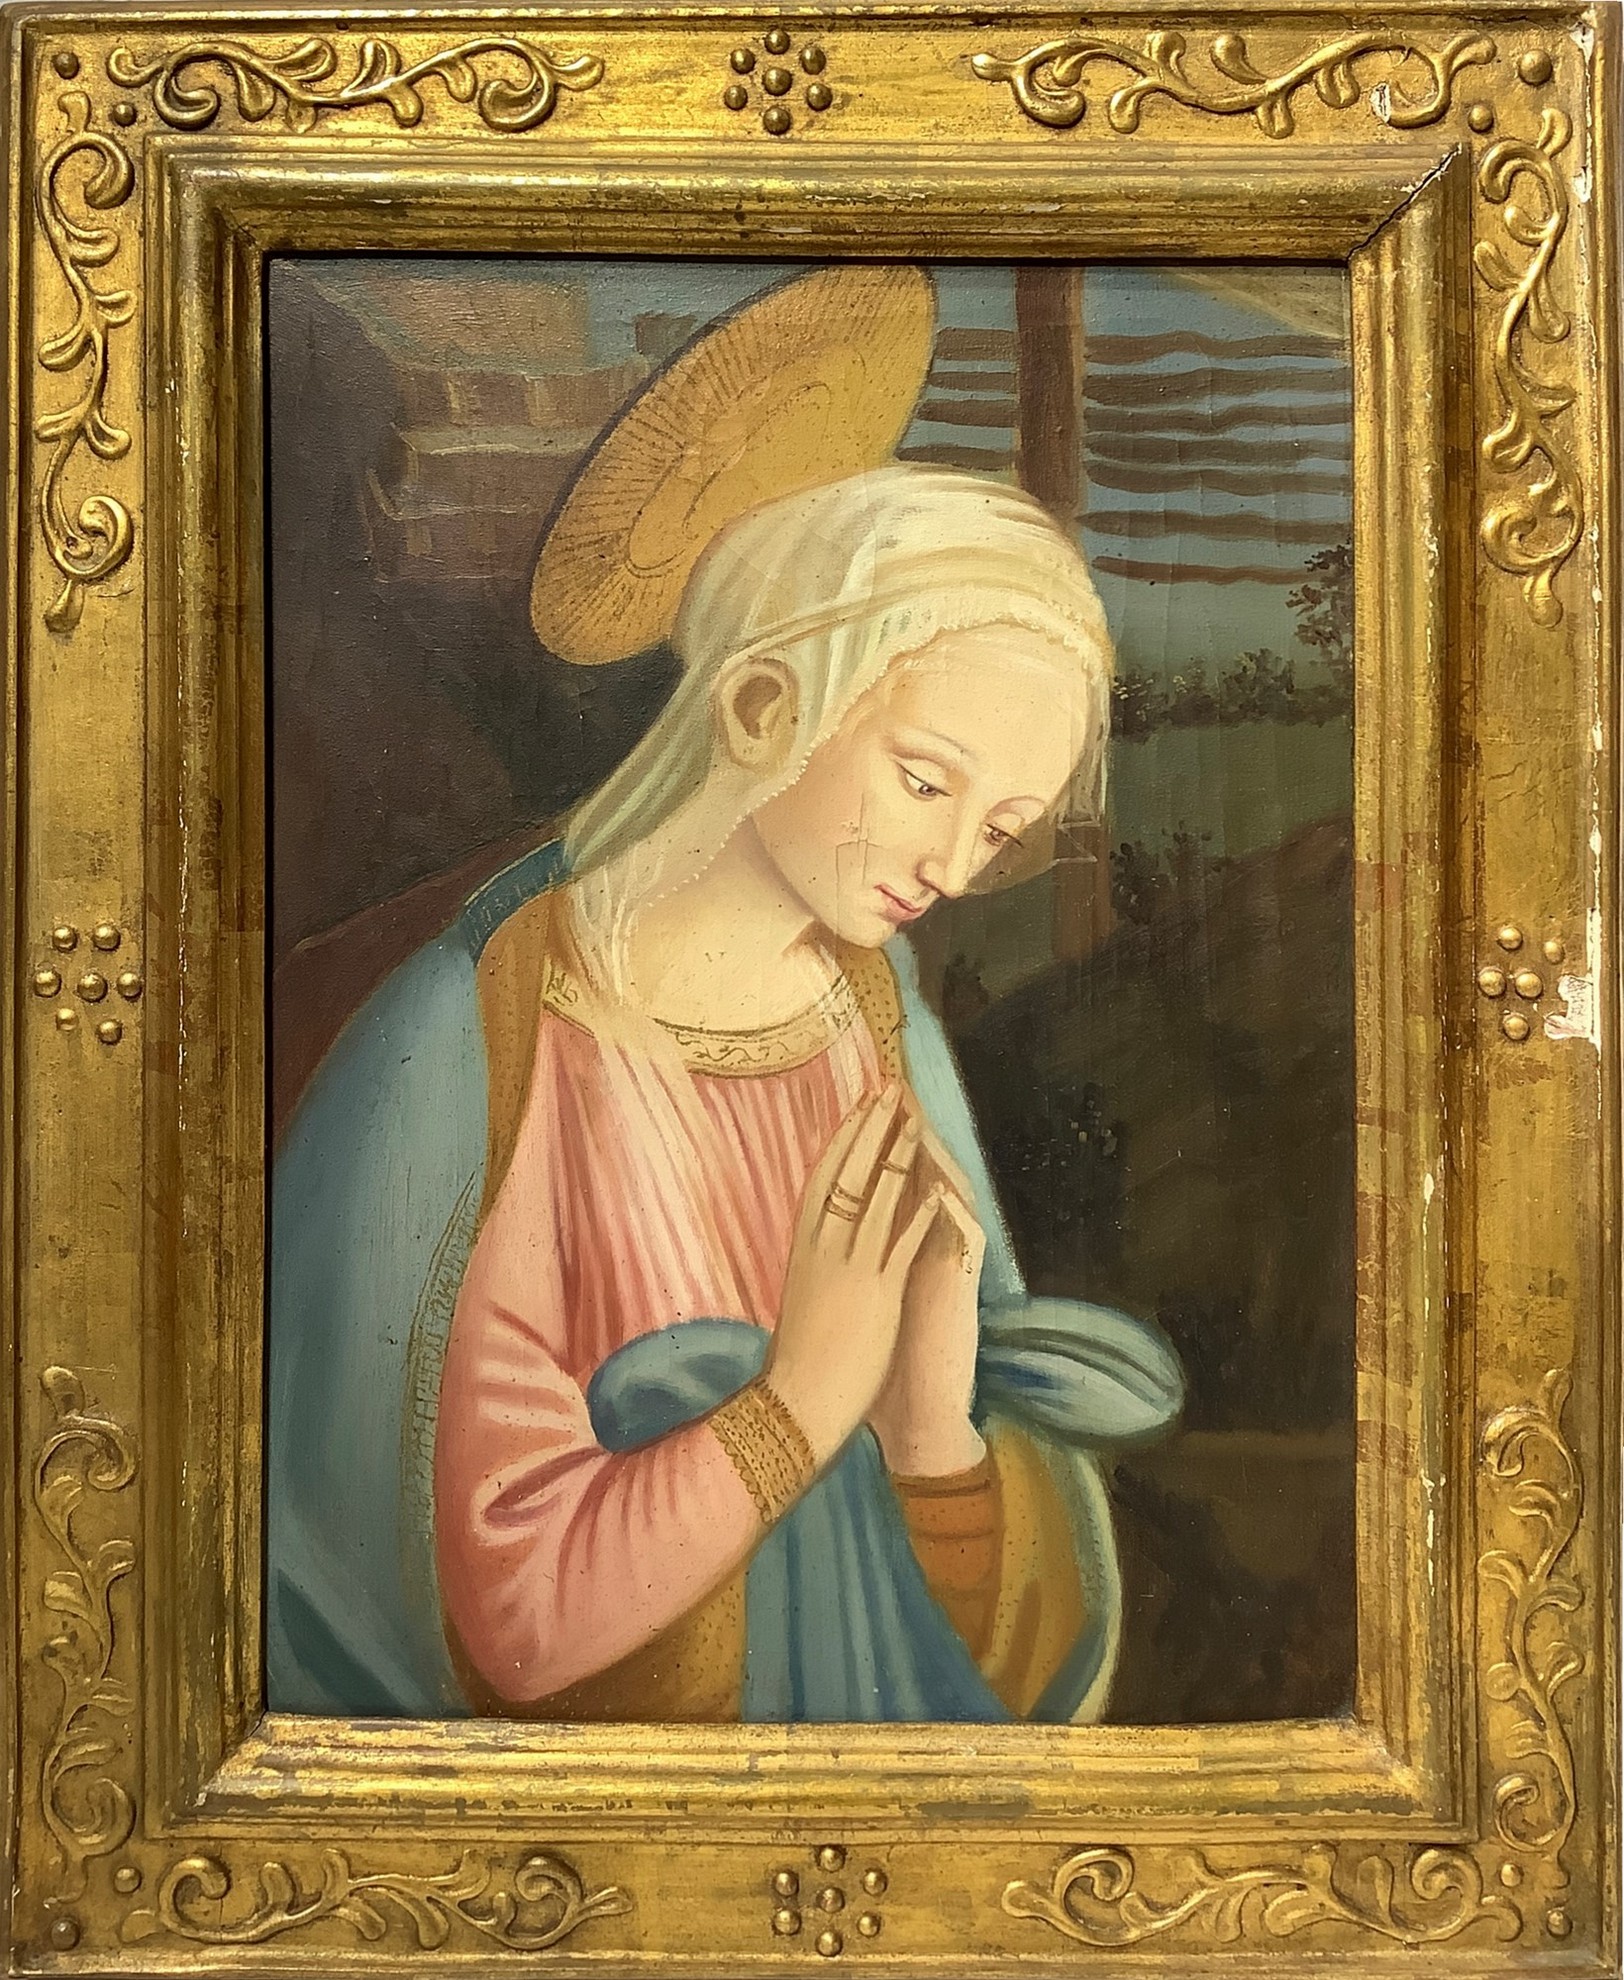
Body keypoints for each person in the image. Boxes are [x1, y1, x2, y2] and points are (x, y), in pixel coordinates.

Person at [268, 266, 1183, 1724]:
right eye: (926, 782)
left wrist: (934, 1436)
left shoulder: (876, 1024)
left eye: (1002, 828)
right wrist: (802, 1401)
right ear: (763, 707)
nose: (954, 867)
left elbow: (978, 1656)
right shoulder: (479, 1049)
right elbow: (509, 1630)